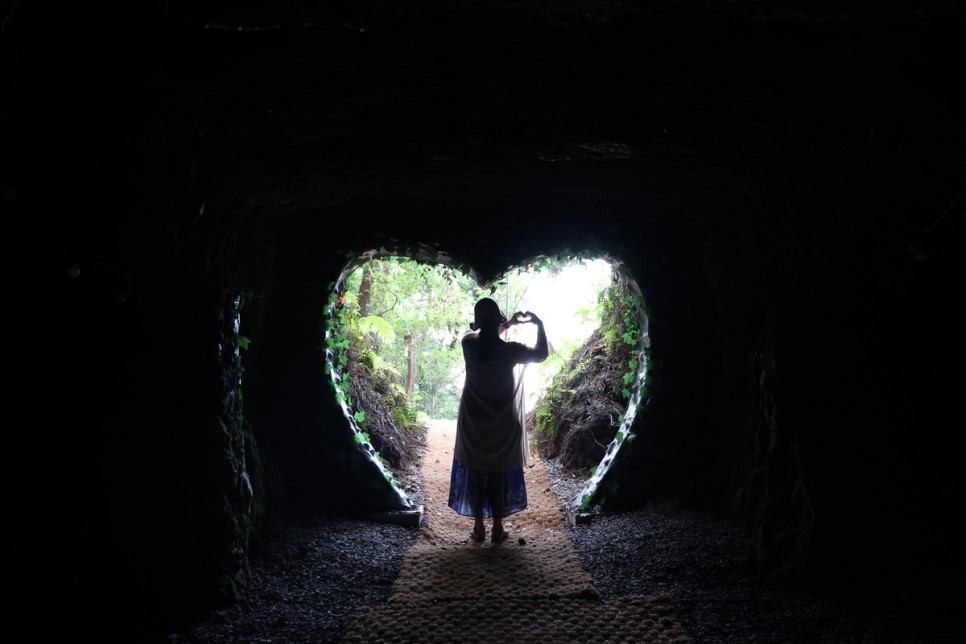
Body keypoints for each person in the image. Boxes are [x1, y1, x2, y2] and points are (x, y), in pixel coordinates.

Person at [448, 297, 549, 543]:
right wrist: (540, 325)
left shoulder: (468, 344)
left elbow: (485, 337)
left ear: (477, 322)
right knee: (499, 471)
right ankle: (498, 528)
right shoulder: (511, 350)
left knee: (475, 468)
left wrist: (507, 324)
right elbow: (541, 354)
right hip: (503, 421)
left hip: (473, 420)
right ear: (498, 320)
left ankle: (479, 527)